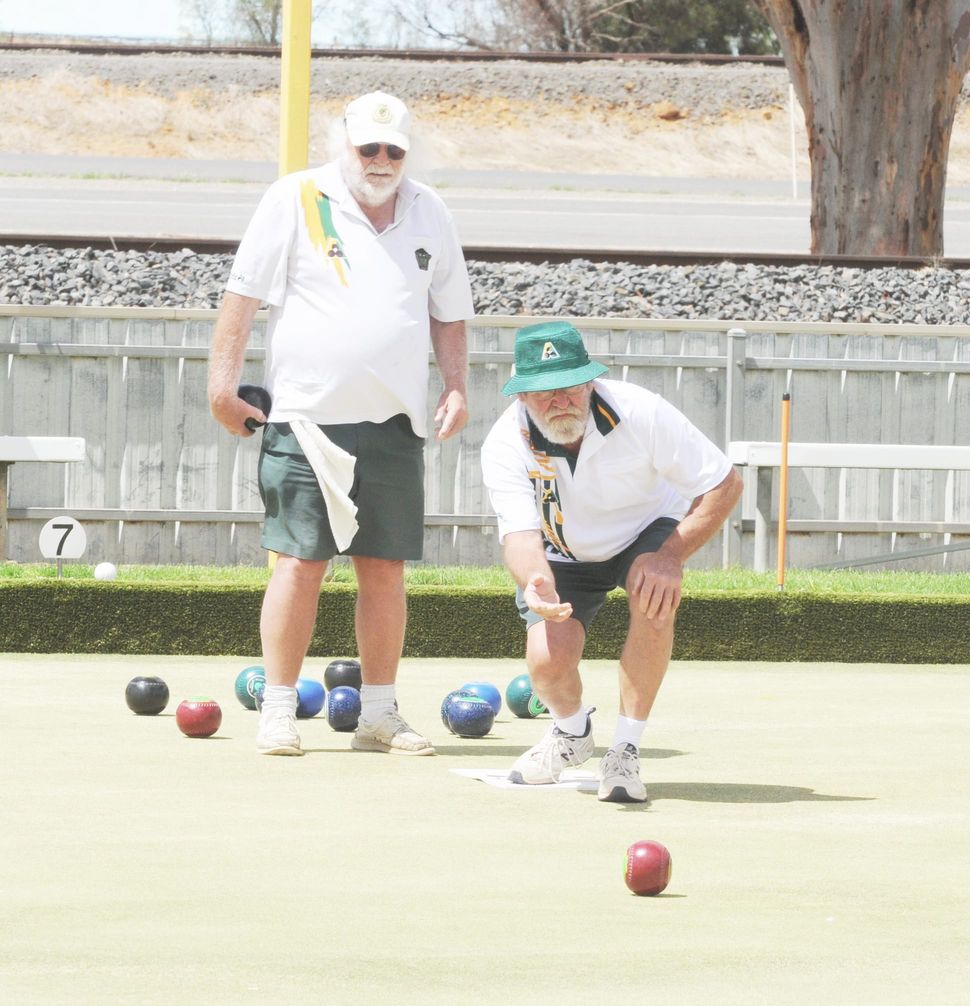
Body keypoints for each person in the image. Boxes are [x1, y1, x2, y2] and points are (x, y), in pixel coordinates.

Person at [208, 90, 474, 757]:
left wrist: (457, 386)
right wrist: (220, 388)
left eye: (394, 150)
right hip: (306, 417)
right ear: (344, 146)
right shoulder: (295, 196)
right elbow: (241, 296)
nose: (380, 160)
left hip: (396, 420)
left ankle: (379, 714)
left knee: (385, 569)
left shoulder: (430, 210)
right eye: (368, 148)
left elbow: (449, 312)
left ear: (408, 153)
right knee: (300, 565)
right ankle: (277, 710)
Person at [480, 321, 742, 802]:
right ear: (522, 395)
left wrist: (670, 556)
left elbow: (723, 483)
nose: (560, 401)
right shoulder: (504, 443)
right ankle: (571, 733)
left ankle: (624, 751)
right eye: (544, 392)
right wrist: (535, 580)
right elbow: (519, 536)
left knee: (653, 596)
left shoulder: (642, 412)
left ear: (590, 382)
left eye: (570, 386)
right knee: (546, 663)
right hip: (560, 551)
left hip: (646, 533)